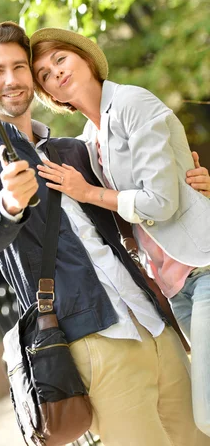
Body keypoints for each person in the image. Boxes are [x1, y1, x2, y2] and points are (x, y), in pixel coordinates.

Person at [0, 21, 210, 446]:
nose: (12, 79)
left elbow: (139, 200)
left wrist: (193, 182)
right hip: (92, 339)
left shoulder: (76, 149)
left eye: (20, 68)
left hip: (152, 322)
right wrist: (9, 202)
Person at [26, 26, 210, 437]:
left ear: (86, 59)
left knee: (207, 415)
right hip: (175, 285)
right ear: (51, 97)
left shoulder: (131, 103)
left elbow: (160, 202)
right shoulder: (89, 141)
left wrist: (88, 191)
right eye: (43, 75)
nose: (55, 73)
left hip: (205, 265)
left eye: (60, 59)